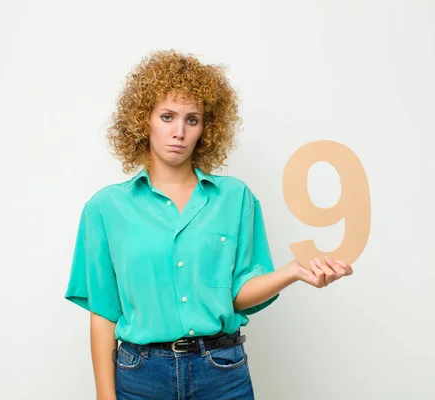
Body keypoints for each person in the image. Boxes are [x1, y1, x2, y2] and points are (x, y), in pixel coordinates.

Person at [64, 49, 353, 400]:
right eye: (167, 116)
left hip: (221, 373)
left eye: (192, 119)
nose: (179, 132)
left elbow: (237, 295)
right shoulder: (106, 208)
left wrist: (292, 272)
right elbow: (104, 315)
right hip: (141, 378)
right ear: (144, 120)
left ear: (206, 128)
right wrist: (105, 397)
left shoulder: (235, 198)